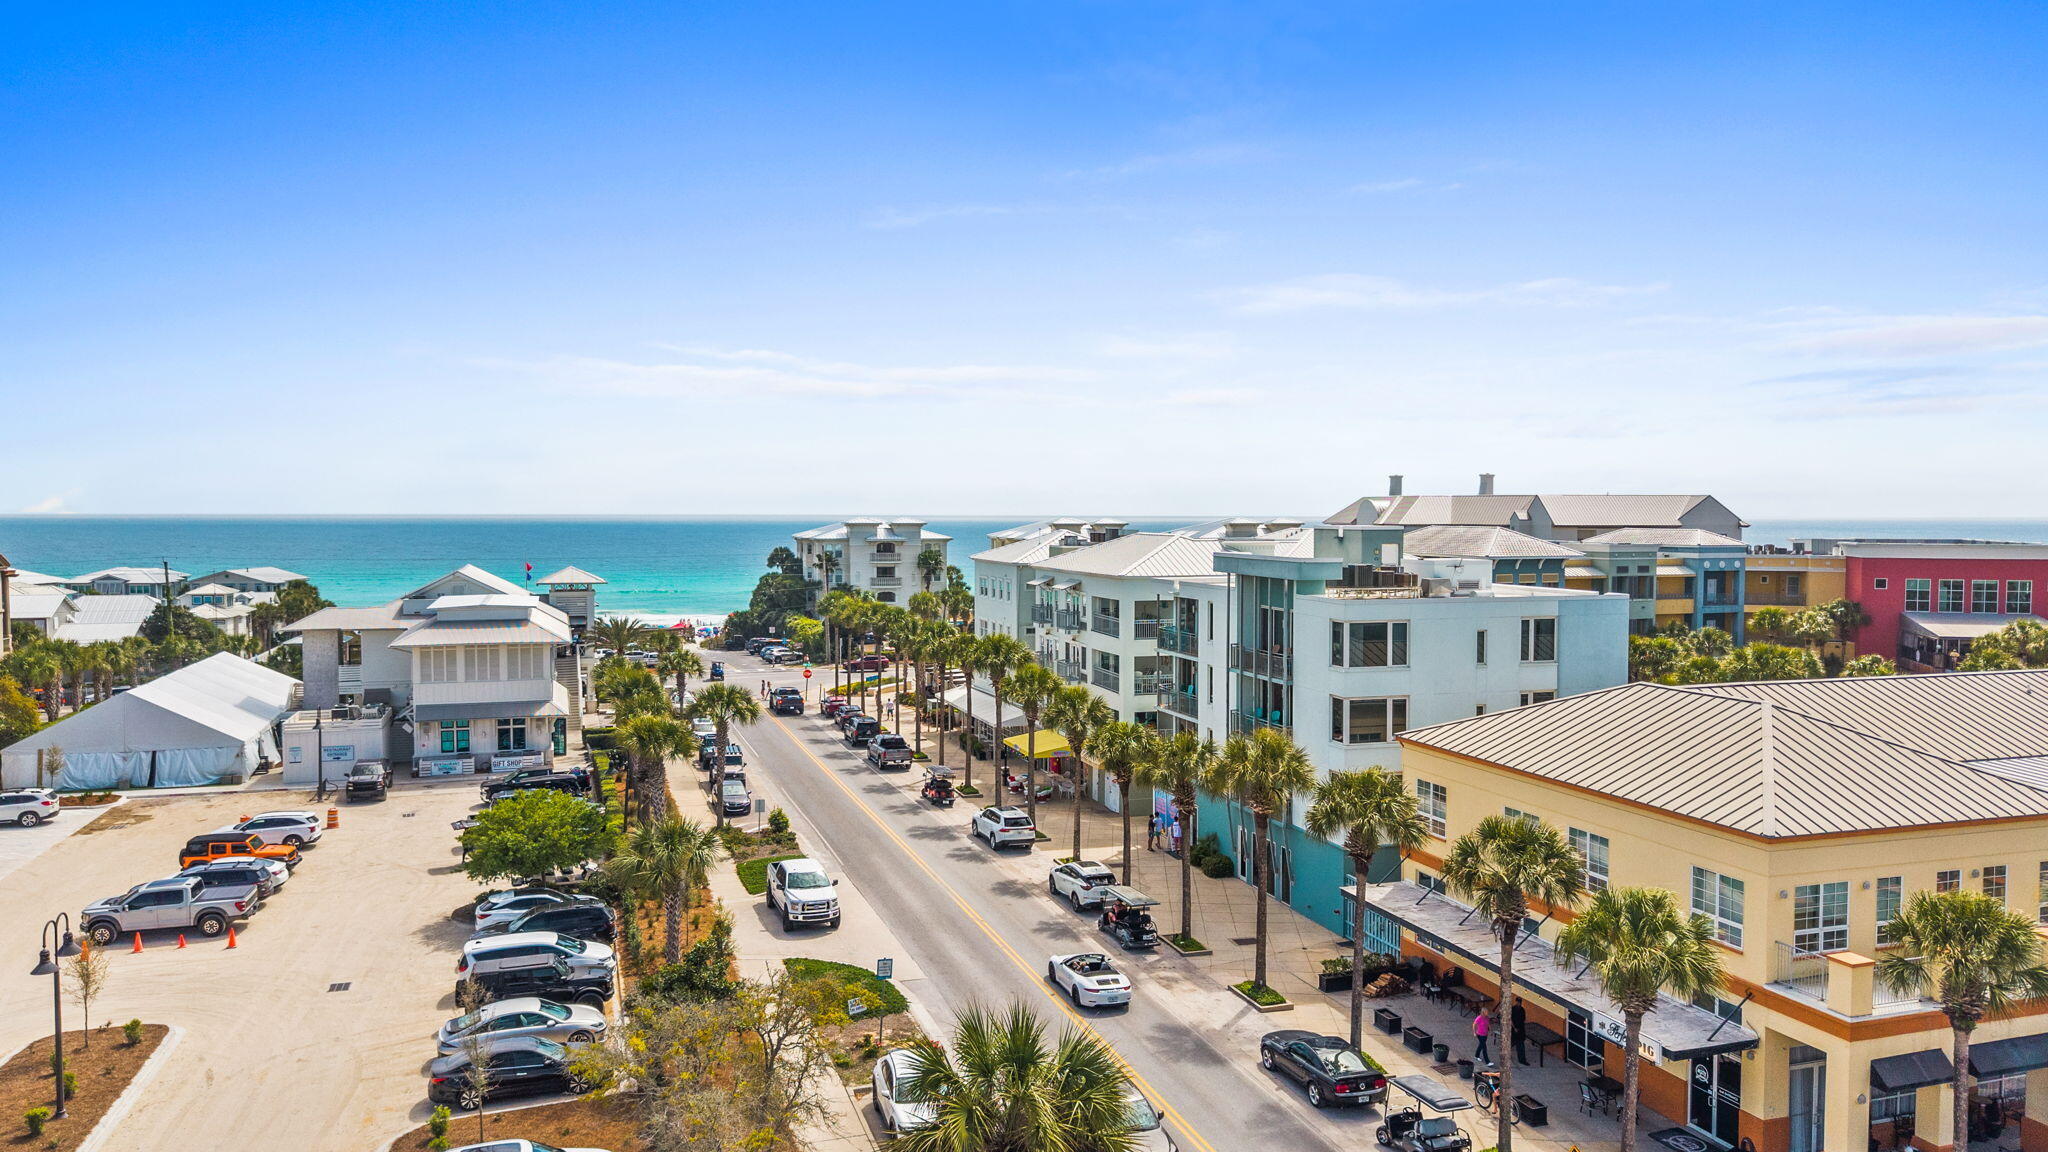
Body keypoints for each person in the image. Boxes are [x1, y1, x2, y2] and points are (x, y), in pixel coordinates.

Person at [1510, 996, 1529, 1065]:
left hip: (1521, 1029)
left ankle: (1522, 1059)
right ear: (1516, 1002)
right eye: (1518, 1002)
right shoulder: (1513, 1009)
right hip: (1514, 1029)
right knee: (1513, 1043)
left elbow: (1523, 1019)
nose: (1519, 1003)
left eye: (1520, 1002)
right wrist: (1514, 1028)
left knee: (1520, 1045)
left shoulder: (1522, 1010)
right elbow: (1510, 1019)